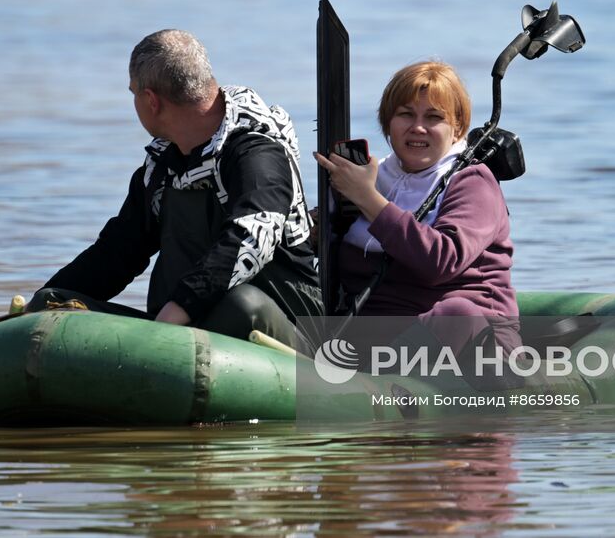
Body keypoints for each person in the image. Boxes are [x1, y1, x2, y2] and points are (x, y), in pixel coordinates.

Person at [30, 30, 324, 352]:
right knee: (52, 302)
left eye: (133, 94)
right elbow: (118, 252)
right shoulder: (163, 163)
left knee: (241, 306)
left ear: (151, 101)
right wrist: (33, 314)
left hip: (284, 330)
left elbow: (253, 237)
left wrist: (176, 311)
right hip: (180, 332)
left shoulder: (256, 151)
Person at [314, 61, 518, 350]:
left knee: (457, 314)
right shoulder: (368, 176)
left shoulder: (473, 181)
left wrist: (368, 199)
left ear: (457, 127)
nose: (418, 128)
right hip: (372, 335)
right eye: (406, 114)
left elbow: (440, 261)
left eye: (434, 117)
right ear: (387, 122)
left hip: (467, 342)